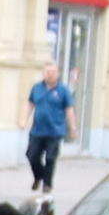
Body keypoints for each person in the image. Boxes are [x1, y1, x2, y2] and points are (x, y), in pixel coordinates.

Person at [22, 61, 77, 196]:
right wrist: (24, 119)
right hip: (37, 130)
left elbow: (69, 110)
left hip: (55, 130)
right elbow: (30, 104)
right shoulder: (36, 88)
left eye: (53, 72)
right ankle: (39, 176)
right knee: (31, 155)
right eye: (47, 72)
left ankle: (47, 184)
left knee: (51, 158)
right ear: (43, 73)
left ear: (57, 74)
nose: (50, 74)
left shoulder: (63, 91)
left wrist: (73, 128)